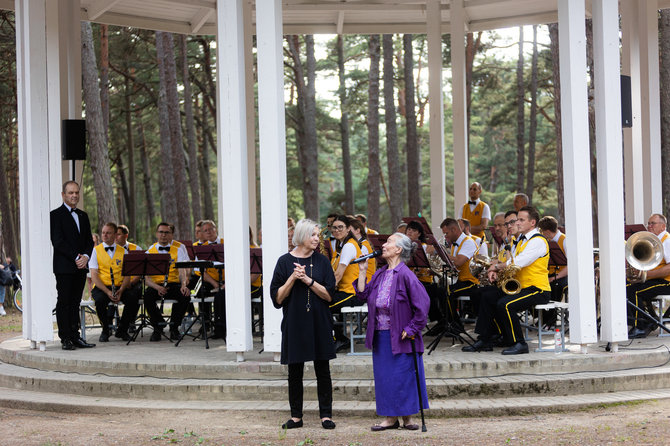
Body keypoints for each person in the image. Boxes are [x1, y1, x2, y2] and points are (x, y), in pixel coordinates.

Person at [354, 232, 429, 431]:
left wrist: (412, 328)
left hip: (401, 335)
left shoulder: (406, 275)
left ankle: (407, 418)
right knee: (385, 377)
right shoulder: (380, 272)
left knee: (404, 376)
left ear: (398, 249)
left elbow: (423, 305)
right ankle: (390, 418)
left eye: (388, 242)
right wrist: (362, 271)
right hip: (381, 334)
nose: (384, 245)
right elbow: (363, 294)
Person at [270, 219, 337, 430]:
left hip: (319, 321)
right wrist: (292, 278)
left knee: (323, 370)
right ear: (301, 236)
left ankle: (326, 415)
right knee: (294, 371)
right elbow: (277, 299)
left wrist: (308, 280)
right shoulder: (283, 262)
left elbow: (328, 295)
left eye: (318, 235)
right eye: (314, 235)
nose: (318, 239)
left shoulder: (323, 261)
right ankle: (296, 417)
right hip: (295, 321)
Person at [463, 206, 550, 355]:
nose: (517, 223)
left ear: (532, 223)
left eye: (521, 220)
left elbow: (517, 263)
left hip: (537, 289)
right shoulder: (521, 240)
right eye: (517, 220)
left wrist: (495, 267)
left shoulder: (538, 241)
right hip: (522, 287)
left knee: (505, 304)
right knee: (487, 296)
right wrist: (497, 273)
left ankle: (519, 343)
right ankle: (486, 338)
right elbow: (510, 265)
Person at [50, 181, 95, 350]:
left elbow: (89, 241)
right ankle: (65, 338)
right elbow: (58, 241)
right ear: (63, 195)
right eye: (70, 193)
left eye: (76, 192)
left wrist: (86, 256)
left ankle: (76, 336)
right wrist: (77, 256)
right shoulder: (55, 215)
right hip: (64, 266)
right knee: (64, 302)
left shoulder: (83, 216)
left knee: (76, 301)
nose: (74, 195)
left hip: (81, 266)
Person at [88, 222, 140, 342]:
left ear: (115, 235)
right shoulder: (96, 251)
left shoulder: (124, 251)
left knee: (133, 299)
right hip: (102, 286)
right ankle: (105, 330)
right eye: (103, 233)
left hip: (120, 286)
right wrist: (107, 291)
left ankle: (122, 330)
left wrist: (121, 290)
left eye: (108, 233)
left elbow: (127, 274)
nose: (105, 235)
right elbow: (94, 275)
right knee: (100, 301)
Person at [144, 222, 191, 341]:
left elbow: (182, 271)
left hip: (173, 283)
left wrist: (183, 285)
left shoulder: (178, 250)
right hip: (156, 285)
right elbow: (146, 277)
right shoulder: (150, 250)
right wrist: (157, 287)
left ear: (171, 234)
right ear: (156, 234)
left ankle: (174, 328)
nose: (163, 235)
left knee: (184, 296)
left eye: (166, 232)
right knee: (147, 296)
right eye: (161, 232)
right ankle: (158, 326)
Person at [626, 214, 670, 339]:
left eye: (653, 223)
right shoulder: (655, 241)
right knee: (628, 286)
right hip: (658, 280)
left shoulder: (667, 241)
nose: (649, 226)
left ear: (663, 226)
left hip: (667, 282)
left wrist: (648, 274)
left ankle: (641, 325)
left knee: (633, 291)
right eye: (648, 223)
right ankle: (649, 320)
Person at [328, 215, 363, 351]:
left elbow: (338, 275)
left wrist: (326, 291)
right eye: (334, 227)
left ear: (348, 229)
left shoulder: (349, 246)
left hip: (351, 293)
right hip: (342, 291)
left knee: (321, 307)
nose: (336, 230)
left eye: (340, 227)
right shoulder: (341, 246)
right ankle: (337, 337)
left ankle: (340, 339)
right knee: (318, 304)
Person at [441, 218, 479, 326]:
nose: (445, 236)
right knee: (439, 290)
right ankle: (445, 322)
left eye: (446, 233)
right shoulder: (455, 243)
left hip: (471, 282)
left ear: (453, 229)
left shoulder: (468, 242)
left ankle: (455, 325)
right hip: (459, 280)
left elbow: (458, 262)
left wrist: (442, 254)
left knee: (447, 292)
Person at [538, 216, 568, 328]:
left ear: (547, 231)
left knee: (555, 286)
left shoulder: (564, 240)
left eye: (541, 231)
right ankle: (542, 317)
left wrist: (554, 277)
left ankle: (551, 319)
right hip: (552, 273)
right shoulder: (548, 241)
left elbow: (570, 266)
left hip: (563, 275)